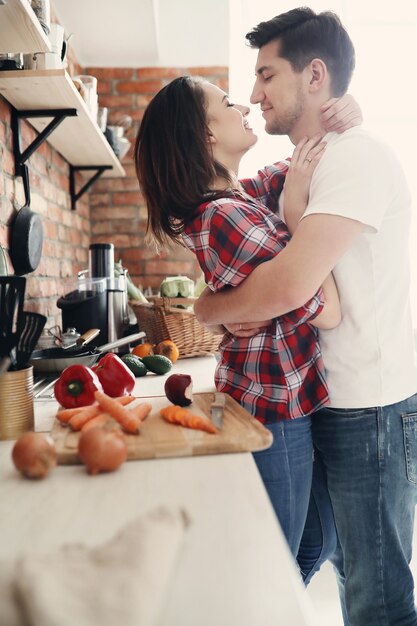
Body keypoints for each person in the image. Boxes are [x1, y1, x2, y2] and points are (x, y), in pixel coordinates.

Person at [194, 8, 417, 626]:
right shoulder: (307, 166)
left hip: (368, 407)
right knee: (348, 572)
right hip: (330, 399)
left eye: (267, 75)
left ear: (314, 75)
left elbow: (290, 285)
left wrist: (210, 309)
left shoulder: (355, 157)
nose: (255, 94)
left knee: (377, 595)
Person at [134, 75, 360, 567]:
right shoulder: (225, 217)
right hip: (272, 414)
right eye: (227, 102)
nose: (245, 104)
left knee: (315, 542)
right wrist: (298, 213)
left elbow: (296, 166)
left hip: (279, 405)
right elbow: (328, 308)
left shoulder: (236, 201)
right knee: (277, 561)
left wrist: (344, 118)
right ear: (206, 134)